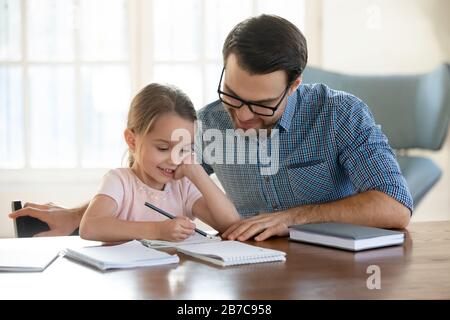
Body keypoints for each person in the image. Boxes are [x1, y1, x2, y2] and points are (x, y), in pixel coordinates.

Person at [9, 14, 412, 241]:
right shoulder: (210, 122)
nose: (242, 117)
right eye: (233, 96)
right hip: (244, 269)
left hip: (331, 270)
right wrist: (80, 215)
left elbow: (395, 206)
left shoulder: (340, 115)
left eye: (262, 105)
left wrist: (291, 217)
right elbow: (155, 174)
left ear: (295, 85)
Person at [83, 83, 239, 242]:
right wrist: (157, 230)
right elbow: (90, 227)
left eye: (183, 150)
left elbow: (232, 226)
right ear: (132, 141)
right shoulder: (119, 181)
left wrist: (197, 173)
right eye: (163, 148)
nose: (174, 159)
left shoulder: (183, 186)